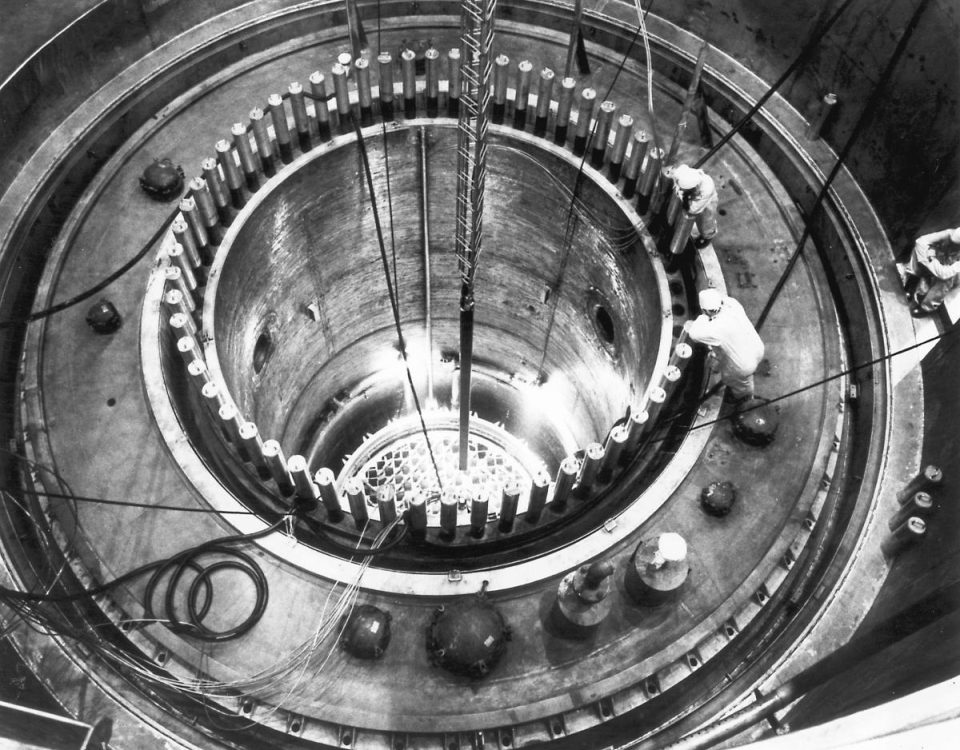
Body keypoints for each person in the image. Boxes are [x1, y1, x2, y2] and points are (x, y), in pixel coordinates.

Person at [687, 288, 764, 402]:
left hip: (743, 365)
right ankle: (745, 393)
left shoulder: (716, 329)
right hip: (756, 347)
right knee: (743, 375)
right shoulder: (732, 304)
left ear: (706, 311)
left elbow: (694, 334)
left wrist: (701, 318)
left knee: (735, 381)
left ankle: (743, 399)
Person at [904, 227, 960, 316]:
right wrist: (929, 257)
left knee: (947, 280)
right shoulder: (949, 234)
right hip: (938, 264)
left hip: (949, 275)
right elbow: (920, 241)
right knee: (917, 251)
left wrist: (930, 260)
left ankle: (926, 307)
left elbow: (944, 274)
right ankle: (911, 286)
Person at [673, 164, 719, 249]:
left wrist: (684, 198)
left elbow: (693, 209)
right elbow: (676, 177)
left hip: (706, 204)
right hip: (692, 197)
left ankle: (708, 236)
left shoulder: (706, 189)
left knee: (705, 222)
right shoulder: (685, 174)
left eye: (683, 189)